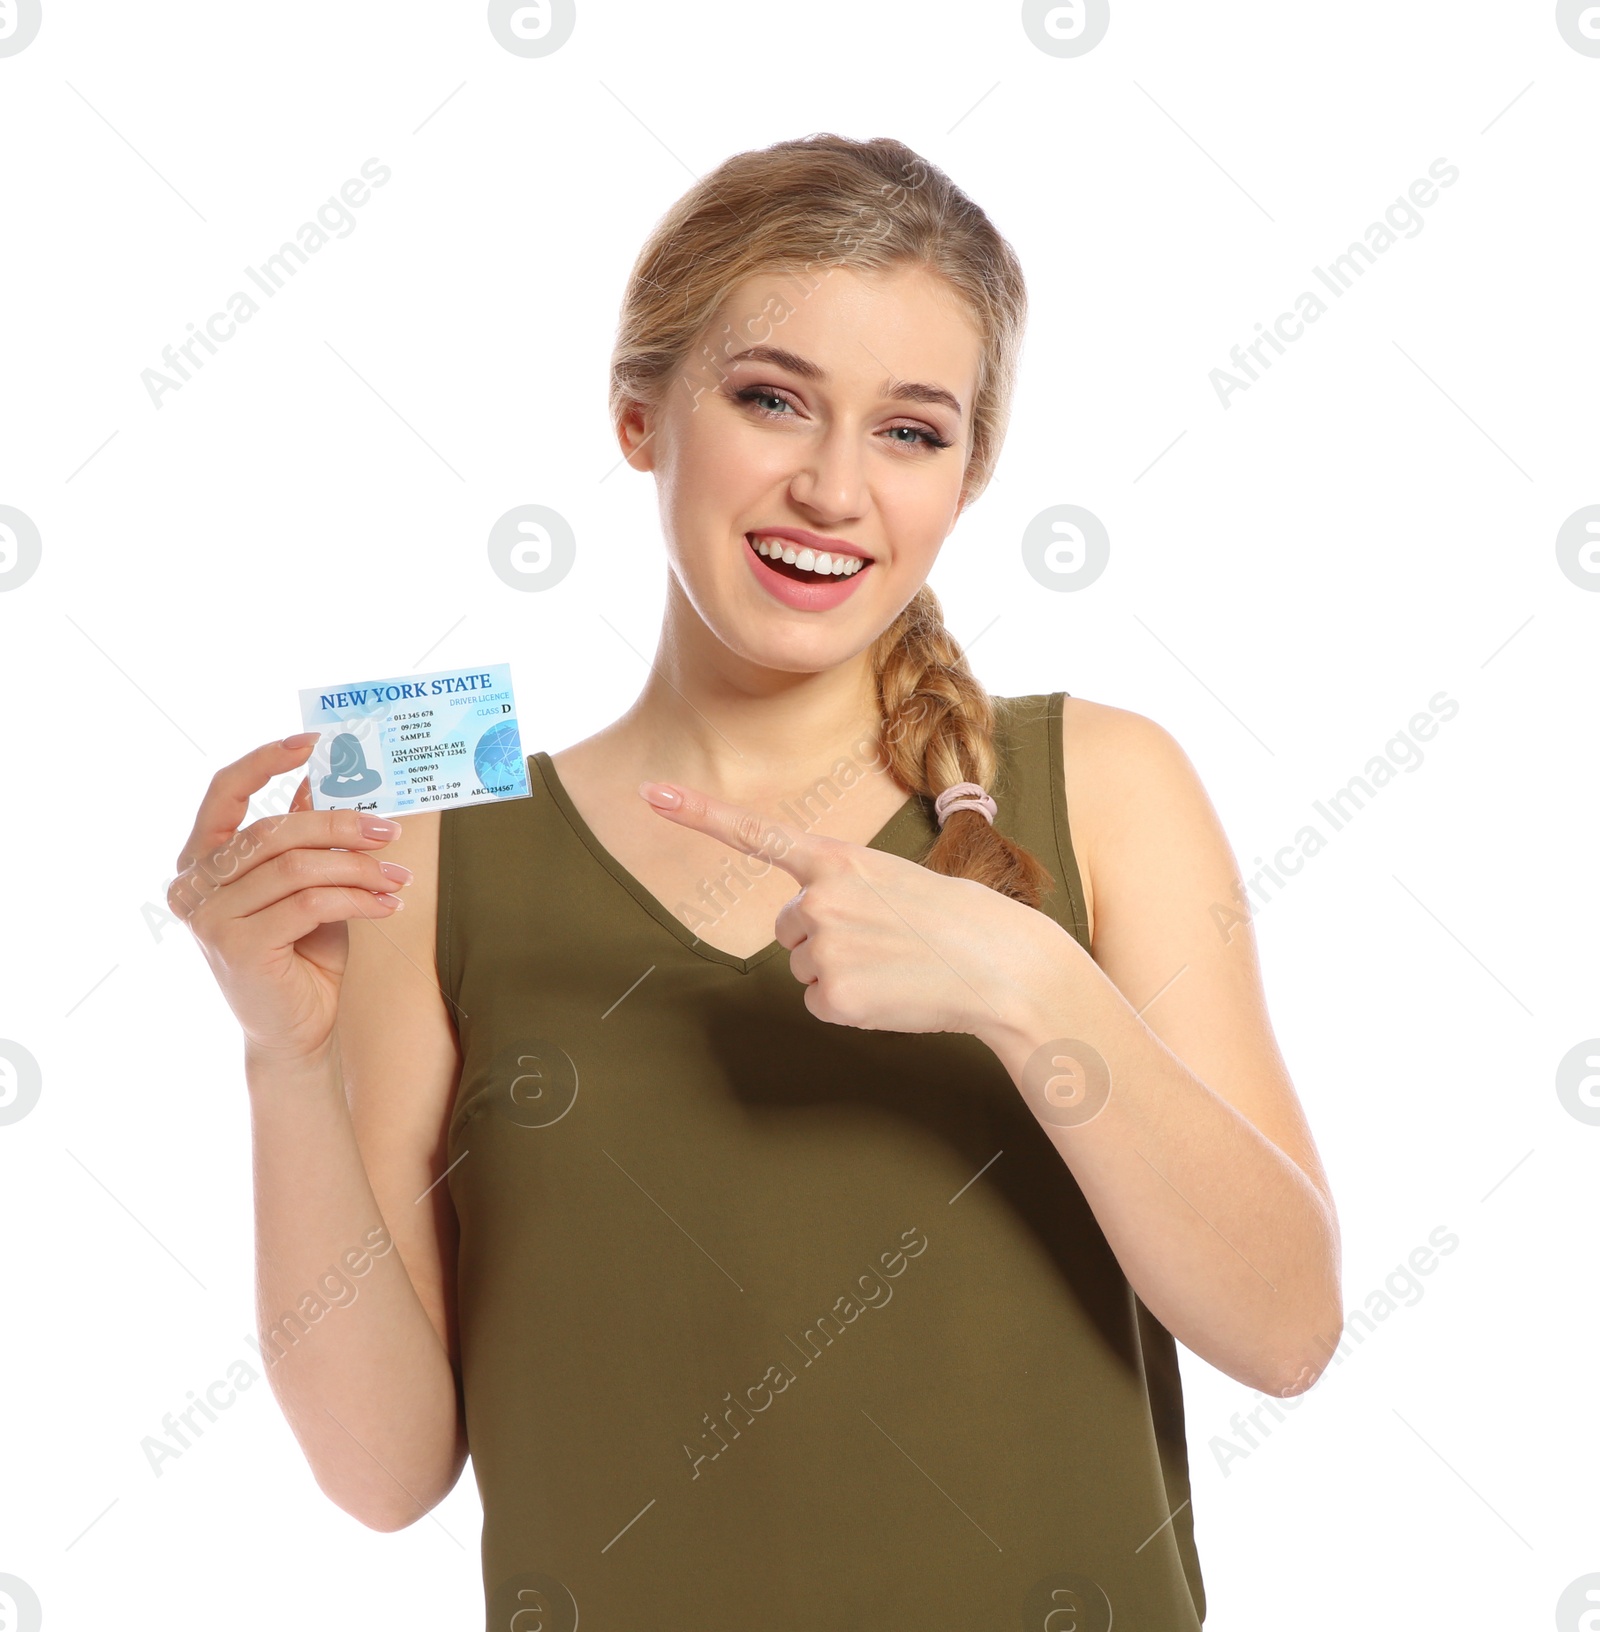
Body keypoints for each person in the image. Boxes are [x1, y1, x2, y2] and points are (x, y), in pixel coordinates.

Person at [168, 133, 1341, 1630]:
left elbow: (1288, 1329)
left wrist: (1027, 982)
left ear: (970, 475)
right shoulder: (450, 843)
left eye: (911, 432)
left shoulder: (1104, 784)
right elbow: (385, 1470)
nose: (833, 487)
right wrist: (286, 1056)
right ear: (639, 414)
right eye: (772, 399)